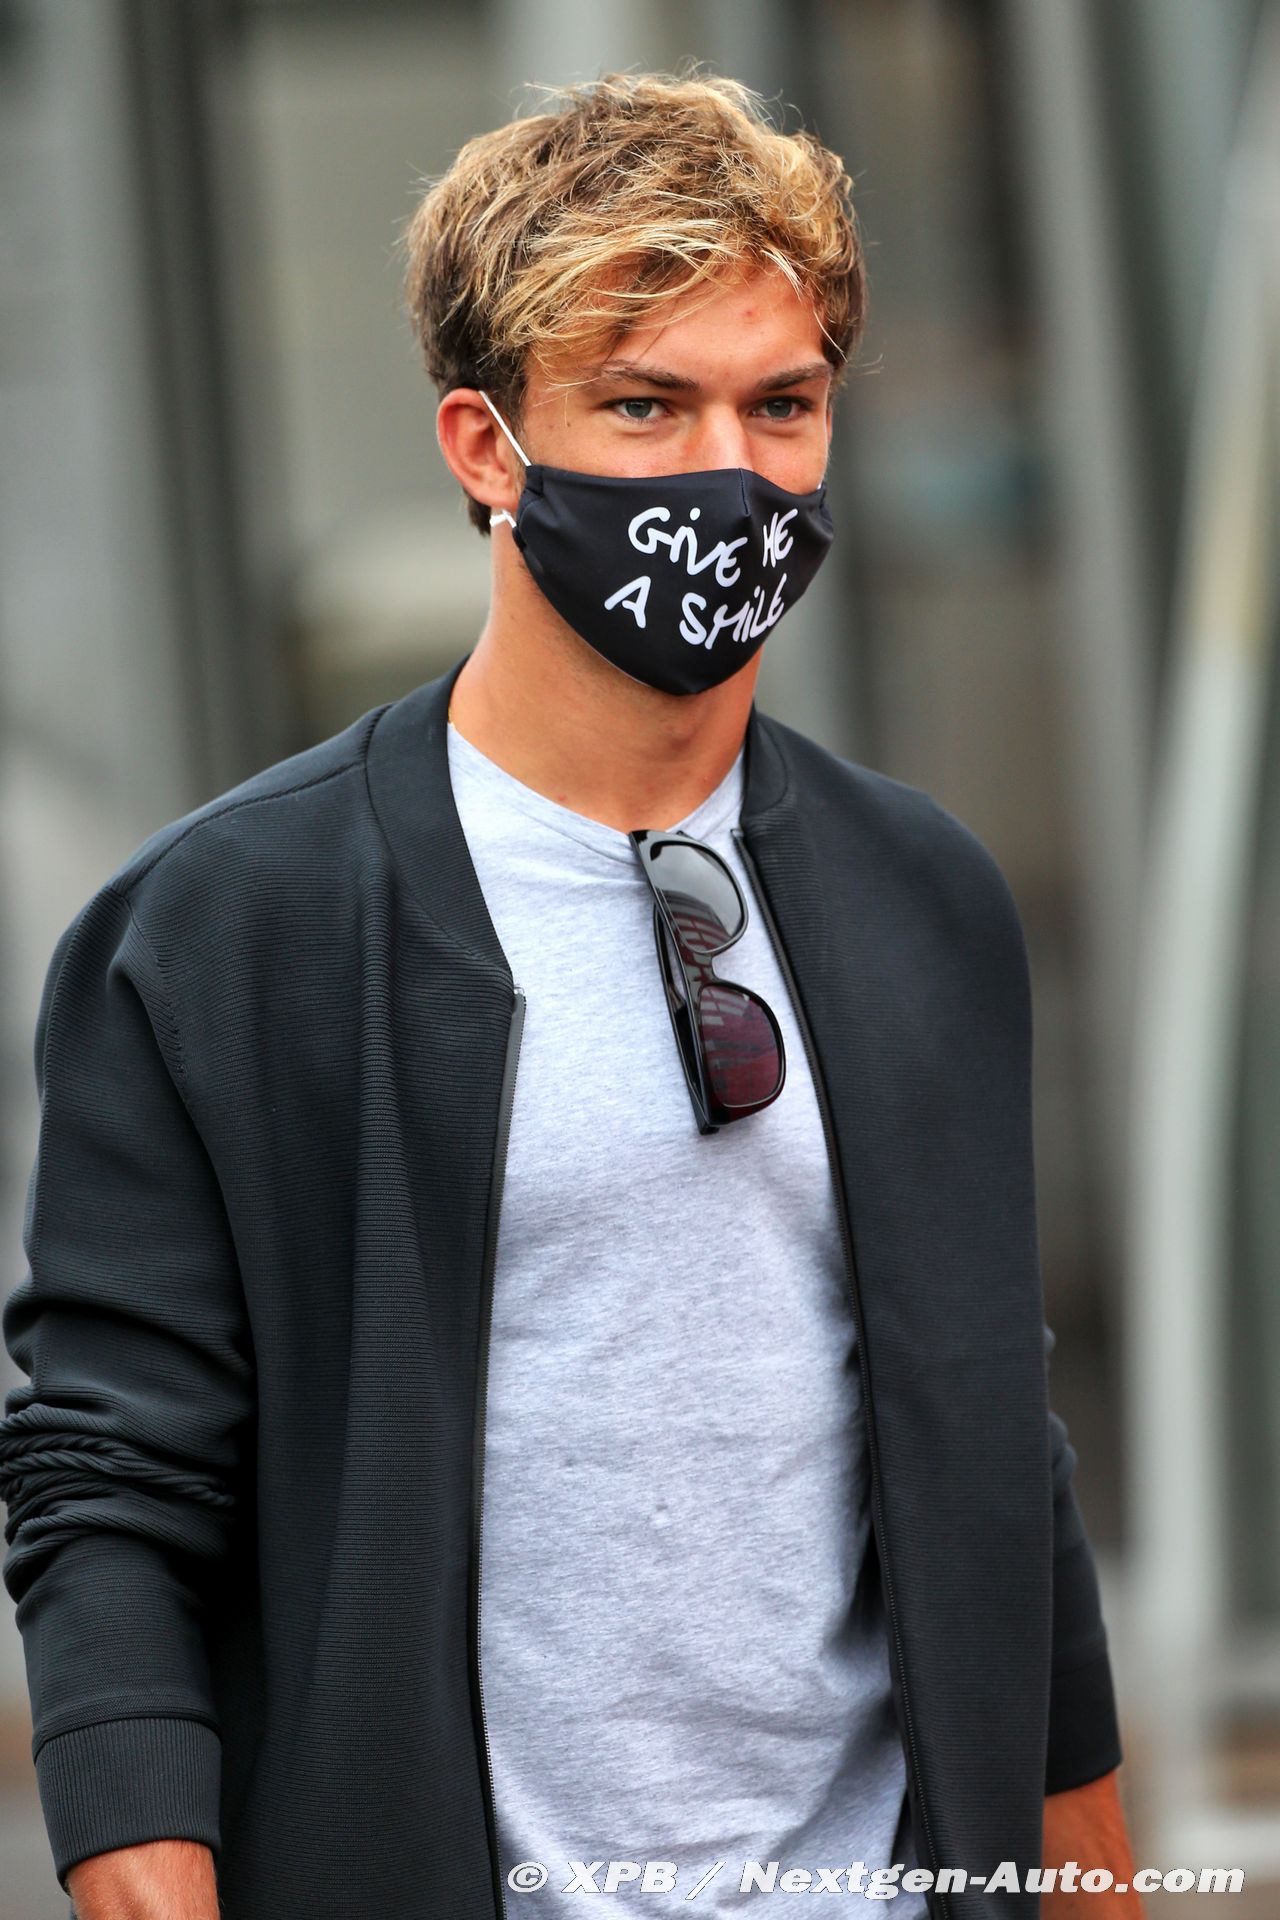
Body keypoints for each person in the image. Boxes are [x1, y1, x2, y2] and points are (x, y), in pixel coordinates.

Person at [0, 70, 1142, 1920]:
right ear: (483, 443)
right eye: (642, 404)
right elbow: (108, 1482)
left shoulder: (922, 898)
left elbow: (990, 1440)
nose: (726, 471)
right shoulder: (223, 928)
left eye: (781, 405)